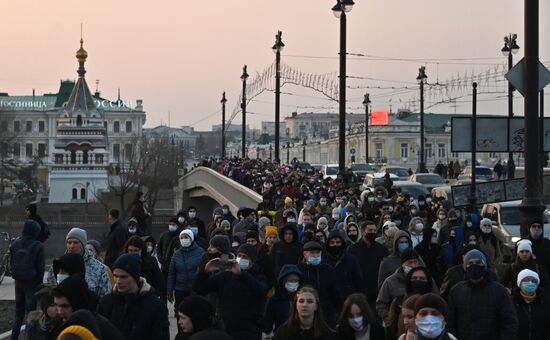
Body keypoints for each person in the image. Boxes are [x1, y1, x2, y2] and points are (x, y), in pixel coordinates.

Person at [195, 243, 269, 340]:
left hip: (249, 330)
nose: (241, 259)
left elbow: (260, 291)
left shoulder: (259, 277)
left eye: (245, 257)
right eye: (239, 256)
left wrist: (242, 274)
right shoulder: (226, 275)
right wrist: (204, 271)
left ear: (253, 261)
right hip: (225, 329)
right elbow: (199, 288)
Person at [448, 249, 518, 339]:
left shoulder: (499, 291)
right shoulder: (456, 291)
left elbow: (510, 322)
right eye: (470, 263)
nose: (474, 266)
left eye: (478, 262)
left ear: (484, 265)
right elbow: (451, 323)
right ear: (465, 266)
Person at [97, 253, 170, 340]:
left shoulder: (155, 306)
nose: (118, 281)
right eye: (115, 276)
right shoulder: (106, 303)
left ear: (135, 277)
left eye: (124, 277)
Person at [46, 228, 112, 297]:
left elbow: (105, 295)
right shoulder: (58, 265)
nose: (72, 246)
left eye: (75, 242)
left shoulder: (99, 268)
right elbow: (49, 290)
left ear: (83, 245)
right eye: (69, 242)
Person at [10, 220, 45, 340]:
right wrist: (39, 286)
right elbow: (41, 269)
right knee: (31, 315)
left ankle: (13, 338)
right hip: (32, 284)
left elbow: (11, 264)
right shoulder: (38, 246)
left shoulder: (15, 244)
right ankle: (29, 338)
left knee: (18, 314)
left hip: (18, 282)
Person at [298, 240, 341, 327]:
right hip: (304, 313)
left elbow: (335, 293)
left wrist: (339, 312)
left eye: (318, 253)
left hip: (325, 314)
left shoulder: (328, 270)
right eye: (312, 253)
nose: (315, 255)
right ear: (305, 254)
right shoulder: (298, 270)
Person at [167, 229, 204, 328]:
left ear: (191, 239)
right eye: (182, 238)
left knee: (194, 315)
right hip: (180, 290)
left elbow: (203, 271)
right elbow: (171, 274)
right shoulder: (177, 254)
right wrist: (169, 291)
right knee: (181, 316)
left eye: (186, 237)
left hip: (195, 289)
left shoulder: (200, 252)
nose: (184, 240)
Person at [385, 266, 435, 340]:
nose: (418, 281)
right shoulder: (399, 301)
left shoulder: (434, 303)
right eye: (414, 278)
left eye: (422, 279)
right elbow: (390, 327)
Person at [348, 220, 389, 307]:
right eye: (370, 230)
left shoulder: (382, 249)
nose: (373, 232)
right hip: (360, 290)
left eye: (374, 231)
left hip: (377, 290)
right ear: (363, 232)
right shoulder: (352, 249)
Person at [263, 264, 304, 336]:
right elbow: (267, 324)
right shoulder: (274, 300)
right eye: (291, 280)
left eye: (296, 280)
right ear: (283, 281)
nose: (294, 283)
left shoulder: (303, 299)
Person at [325, 230, 364, 302]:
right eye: (332, 242)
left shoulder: (351, 259)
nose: (335, 245)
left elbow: (358, 281)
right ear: (328, 244)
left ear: (342, 243)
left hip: (348, 300)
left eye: (338, 242)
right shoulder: (323, 260)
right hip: (329, 301)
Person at [512, 269, 550, 339]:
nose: (530, 283)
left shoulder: (544, 303)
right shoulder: (511, 303)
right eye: (526, 280)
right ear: (519, 284)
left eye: (533, 281)